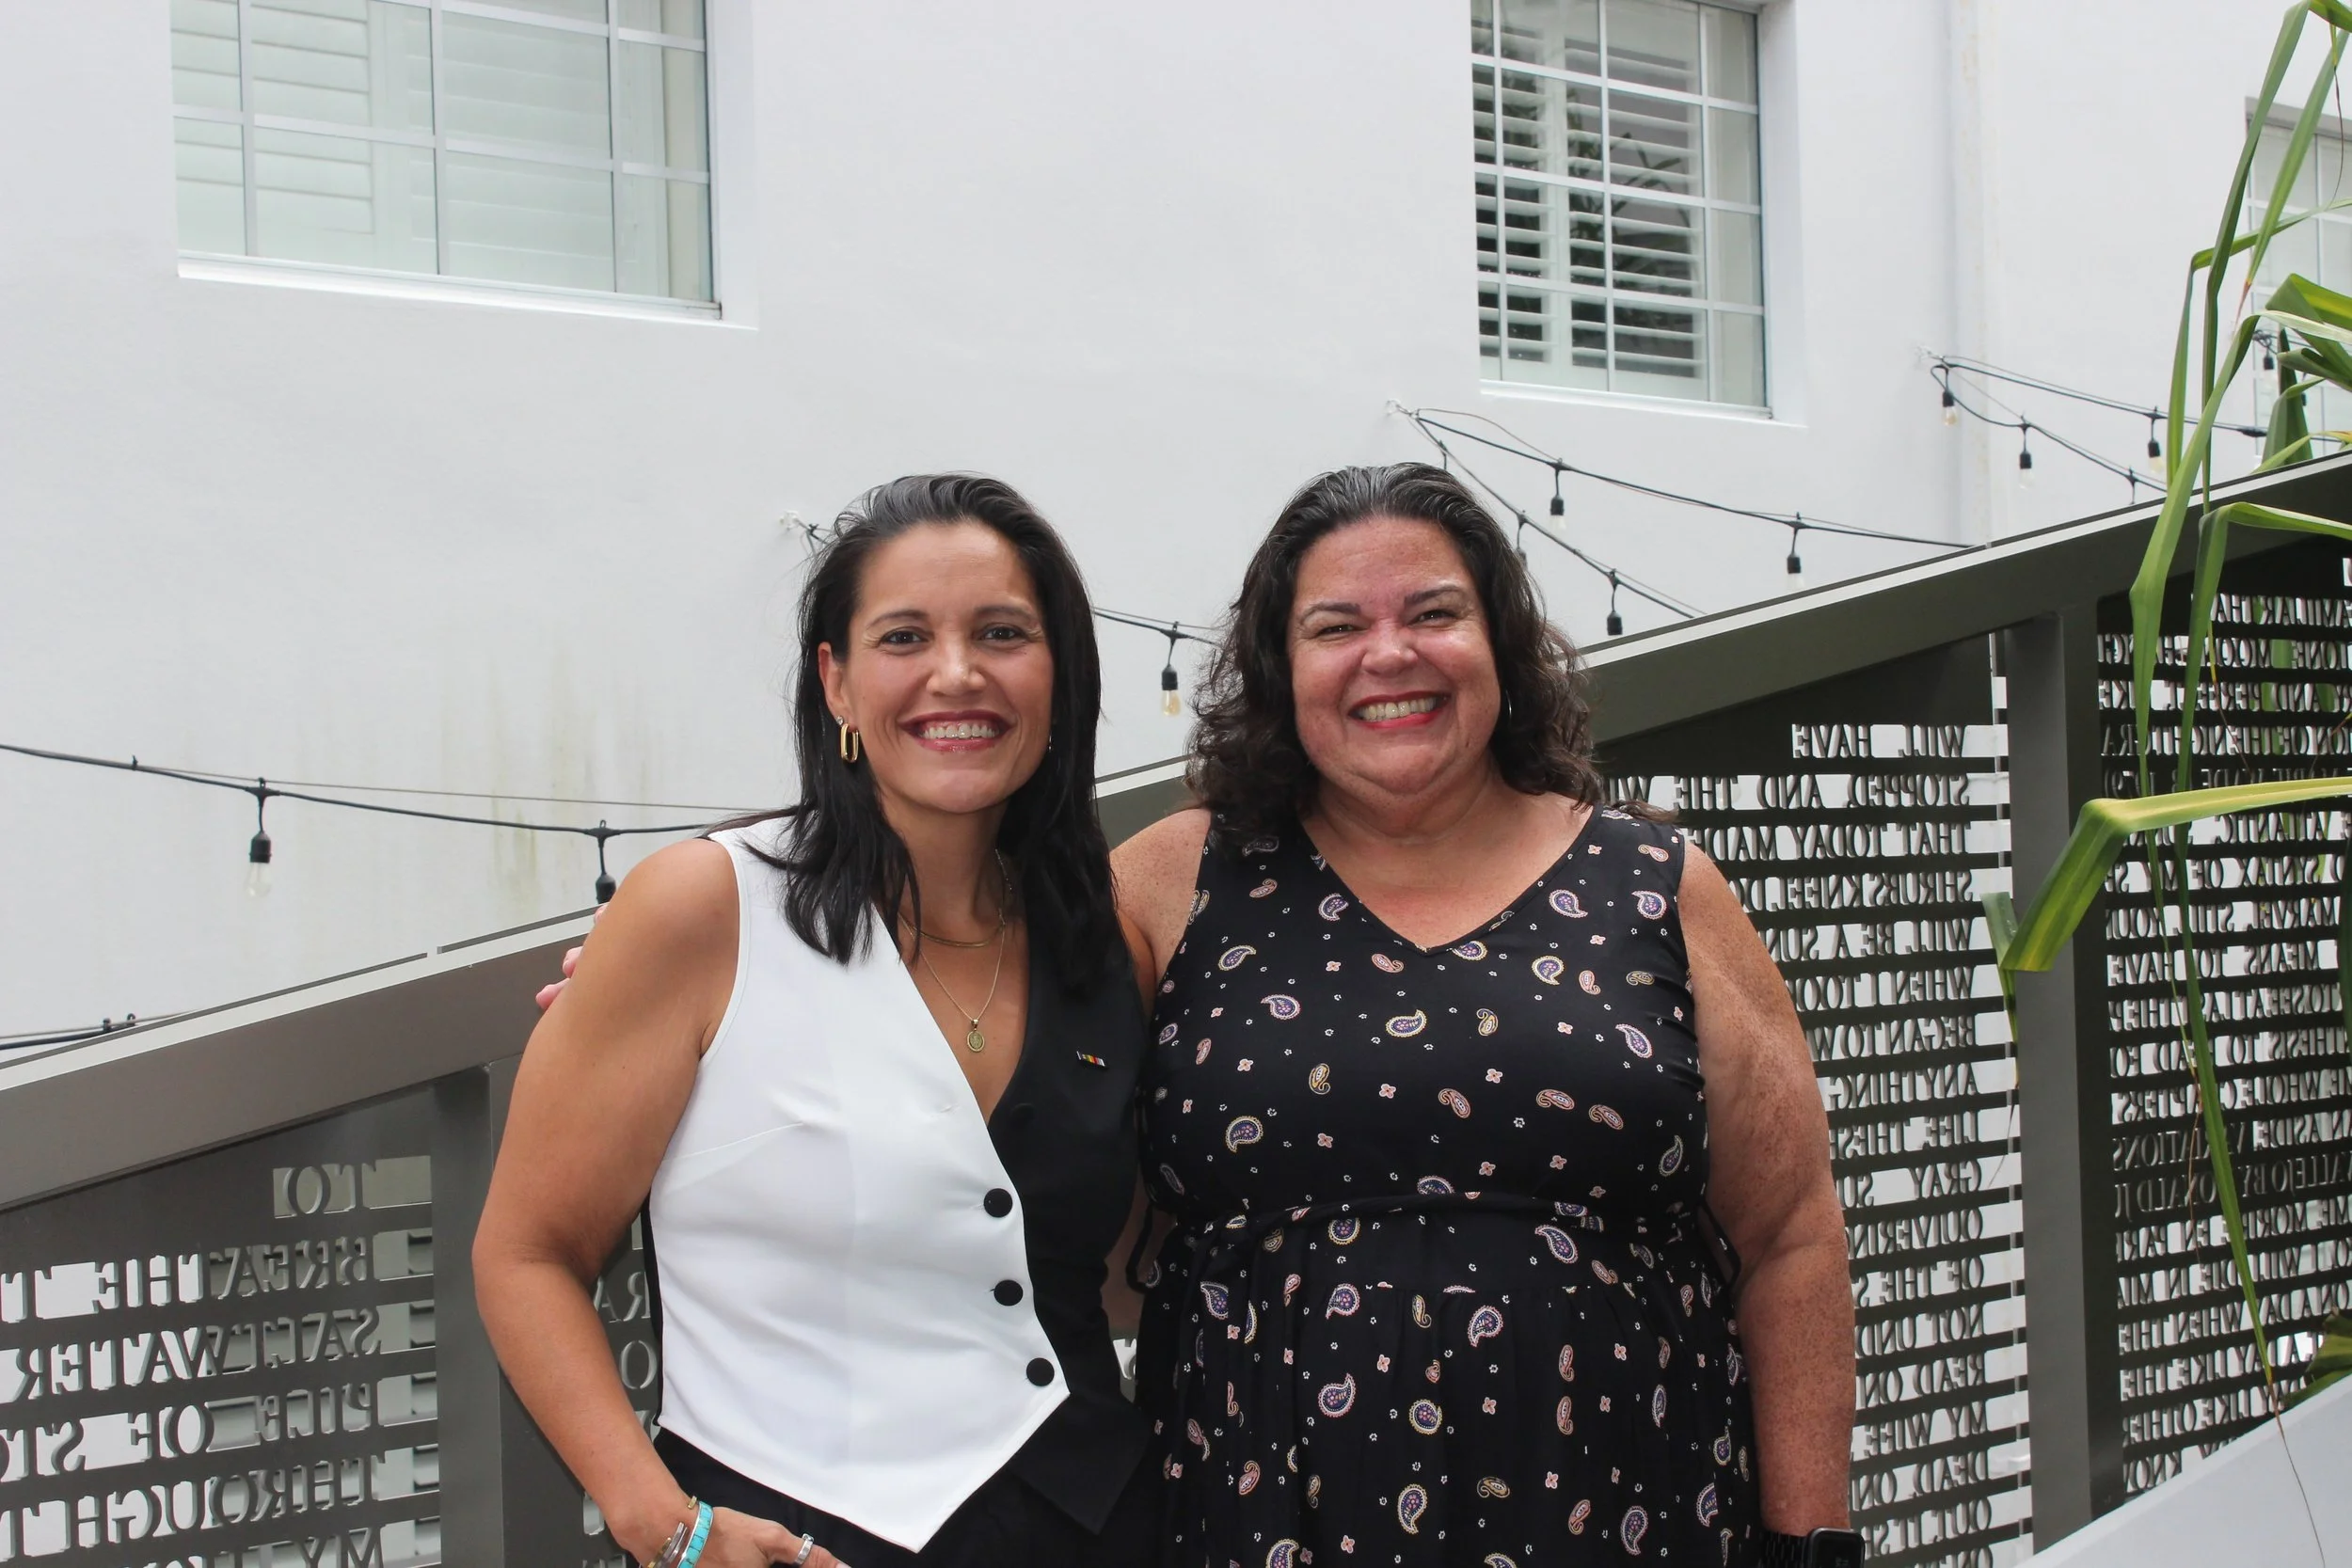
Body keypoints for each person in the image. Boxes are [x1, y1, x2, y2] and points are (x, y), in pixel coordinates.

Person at [1110, 464, 1856, 1567]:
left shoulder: (1654, 883)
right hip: (1255, 1520)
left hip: (1628, 1517)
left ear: (1500, 641)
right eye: (1334, 625)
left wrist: (1810, 1547)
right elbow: (1037, 1199)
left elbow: (1792, 1238)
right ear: (1282, 668)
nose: (1390, 653)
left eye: (1433, 612)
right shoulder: (1168, 884)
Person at [474, 475, 1160, 1568]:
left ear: (1060, 675)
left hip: (1097, 1524)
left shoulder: (1102, 946)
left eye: (1002, 633)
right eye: (903, 636)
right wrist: (665, 1523)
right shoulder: (702, 906)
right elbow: (526, 1252)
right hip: (787, 1537)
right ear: (835, 682)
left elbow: (1112, 1256)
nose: (955, 672)